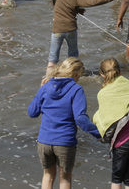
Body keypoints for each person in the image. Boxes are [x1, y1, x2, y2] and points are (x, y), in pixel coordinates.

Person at [28, 57, 101, 189]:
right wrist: (98, 133)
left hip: (44, 141)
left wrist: (40, 90)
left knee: (48, 176)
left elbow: (32, 112)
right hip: (64, 141)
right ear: (75, 74)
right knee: (65, 179)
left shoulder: (46, 86)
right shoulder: (76, 89)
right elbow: (80, 119)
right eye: (79, 76)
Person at [93, 58, 129, 189]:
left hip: (123, 140)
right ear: (120, 71)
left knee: (116, 179)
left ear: (102, 74)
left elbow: (106, 119)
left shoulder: (103, 94)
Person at [48, 0, 116, 72]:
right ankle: (73, 76)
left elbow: (59, 3)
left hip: (57, 30)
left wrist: (77, 10)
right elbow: (93, 2)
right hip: (70, 29)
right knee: (73, 56)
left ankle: (47, 80)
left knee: (53, 58)